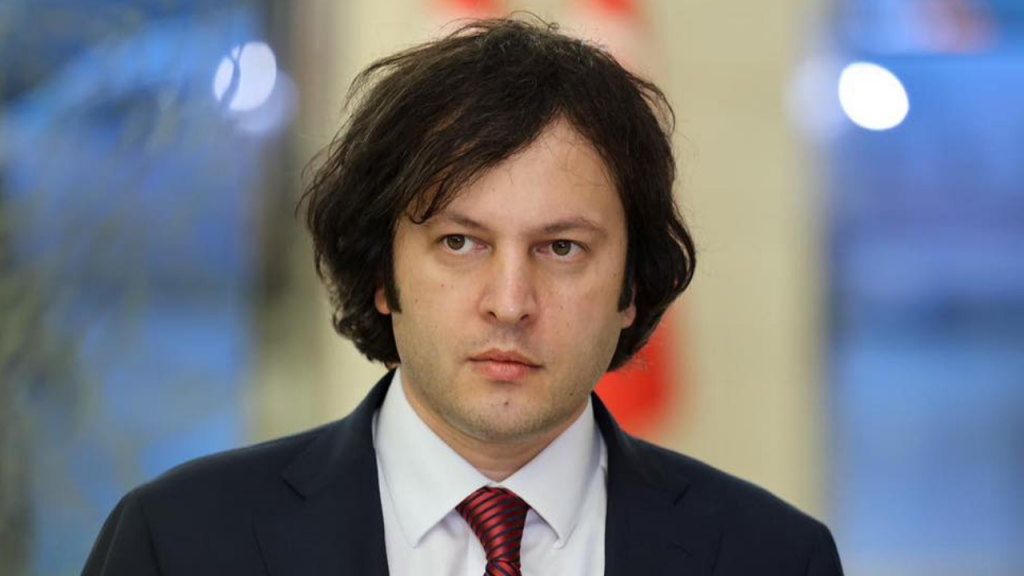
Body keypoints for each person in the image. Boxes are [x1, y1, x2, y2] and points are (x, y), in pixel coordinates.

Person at [83, 17, 843, 576]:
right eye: (459, 242)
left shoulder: (774, 558)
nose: (510, 303)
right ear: (382, 274)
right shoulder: (178, 544)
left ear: (631, 288)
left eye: (562, 248)